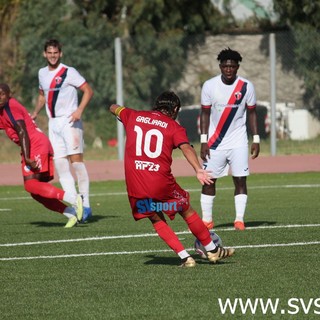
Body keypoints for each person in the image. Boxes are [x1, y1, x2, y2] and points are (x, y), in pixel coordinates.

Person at [109, 91, 235, 267]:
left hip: (135, 183)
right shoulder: (173, 127)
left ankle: (185, 258)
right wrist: (199, 169)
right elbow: (187, 149)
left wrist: (119, 112)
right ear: (175, 109)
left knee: (154, 217)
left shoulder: (134, 115)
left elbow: (113, 107)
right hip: (160, 182)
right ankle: (213, 250)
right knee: (185, 209)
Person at [0, 83, 83, 228]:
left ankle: (74, 199)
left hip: (35, 146)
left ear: (9, 94)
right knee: (35, 191)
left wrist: (27, 158)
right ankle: (70, 213)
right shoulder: (2, 110)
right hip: (32, 146)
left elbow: (22, 131)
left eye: (2, 94)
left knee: (31, 185)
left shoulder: (11, 107)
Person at [31, 39, 93, 223]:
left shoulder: (68, 71)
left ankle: (86, 203)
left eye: (55, 53)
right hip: (54, 124)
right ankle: (75, 204)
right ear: (44, 54)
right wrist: (35, 112)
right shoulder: (41, 73)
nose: (52, 56)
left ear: (61, 53)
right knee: (60, 165)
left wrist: (79, 110)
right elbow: (42, 96)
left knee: (76, 162)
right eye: (49, 53)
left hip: (70, 121)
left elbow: (88, 91)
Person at [199, 47, 260, 231]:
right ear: (220, 66)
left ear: (237, 67)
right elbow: (204, 113)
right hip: (214, 142)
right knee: (209, 180)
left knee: (240, 179)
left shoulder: (246, 86)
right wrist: (203, 140)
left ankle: (239, 220)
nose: (228, 69)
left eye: (232, 66)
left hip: (238, 141)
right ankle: (207, 220)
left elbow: (252, 113)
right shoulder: (209, 85)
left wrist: (256, 139)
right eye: (225, 66)